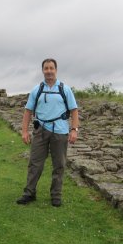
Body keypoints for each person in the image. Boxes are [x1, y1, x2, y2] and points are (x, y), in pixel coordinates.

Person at [16, 58, 79, 207]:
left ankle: (56, 196)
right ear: (42, 70)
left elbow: (74, 110)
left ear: (56, 70)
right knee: (35, 163)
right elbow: (28, 111)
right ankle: (29, 193)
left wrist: (74, 130)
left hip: (60, 131)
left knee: (59, 164)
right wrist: (24, 131)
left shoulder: (65, 89)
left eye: (51, 68)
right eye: (46, 68)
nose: (49, 71)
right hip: (41, 131)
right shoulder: (36, 90)